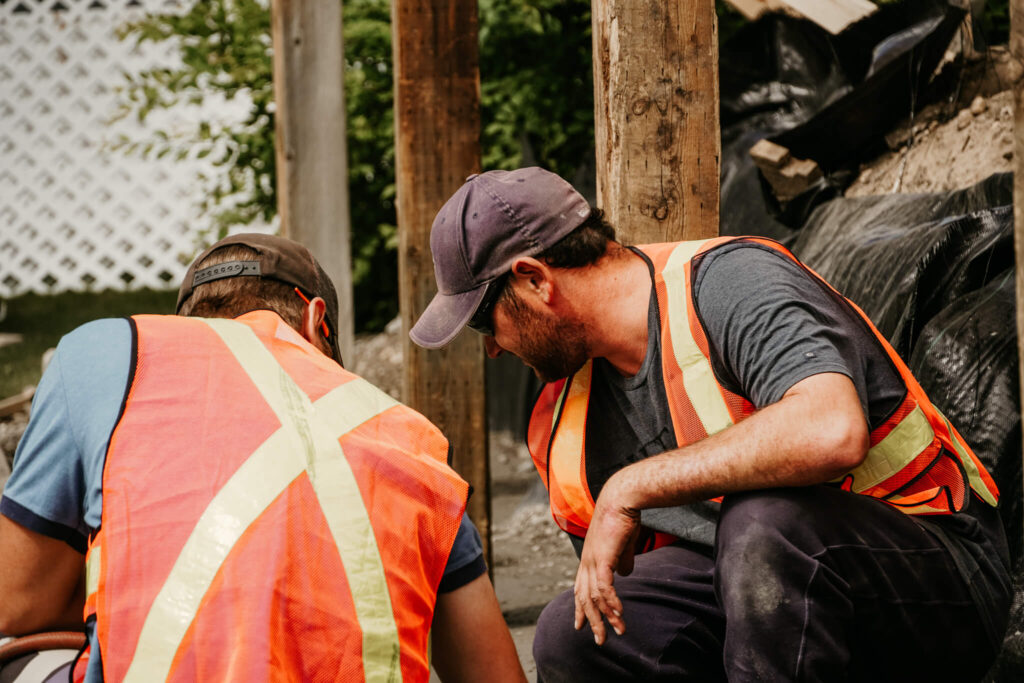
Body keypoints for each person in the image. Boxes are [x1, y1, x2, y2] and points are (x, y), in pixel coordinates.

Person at [410, 167, 1012, 682]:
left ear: (535, 279)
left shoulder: (729, 283)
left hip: (936, 578)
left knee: (765, 525)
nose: (493, 350)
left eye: (487, 324)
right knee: (572, 635)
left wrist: (632, 485)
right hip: (763, 605)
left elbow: (832, 429)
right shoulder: (562, 417)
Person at [0, 233, 526, 683]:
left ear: (184, 322)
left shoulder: (107, 351)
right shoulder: (411, 440)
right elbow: (493, 672)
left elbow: (17, 601)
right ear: (317, 321)